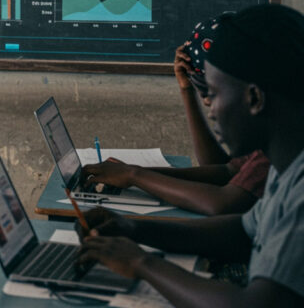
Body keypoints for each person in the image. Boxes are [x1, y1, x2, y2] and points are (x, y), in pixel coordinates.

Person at [77, 4, 304, 307]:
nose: (209, 107)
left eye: (213, 93)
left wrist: (143, 264)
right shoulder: (285, 166)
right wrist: (134, 228)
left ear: (254, 98)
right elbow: (243, 232)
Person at [81, 16, 270, 215]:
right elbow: (226, 170)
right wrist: (186, 89)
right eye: (203, 91)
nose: (208, 104)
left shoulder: (281, 147)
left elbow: (222, 202)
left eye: (213, 92)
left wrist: (134, 175)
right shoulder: (265, 139)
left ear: (253, 93)